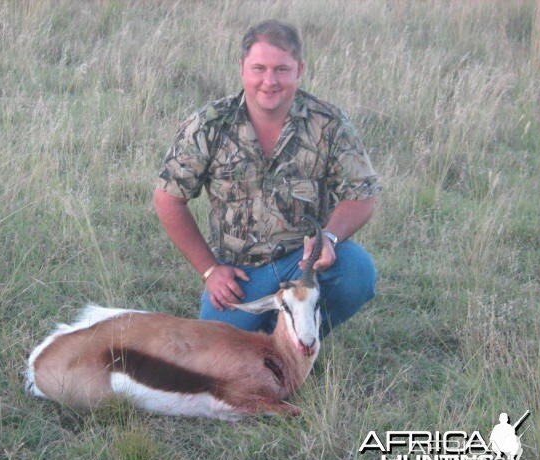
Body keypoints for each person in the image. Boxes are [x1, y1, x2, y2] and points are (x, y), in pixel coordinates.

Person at [153, 19, 380, 336]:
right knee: (218, 354)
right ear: (242, 68)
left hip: (304, 265)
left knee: (357, 271)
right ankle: (271, 332)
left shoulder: (328, 122)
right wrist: (210, 271)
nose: (269, 81)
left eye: (281, 69)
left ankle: (295, 338)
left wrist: (328, 239)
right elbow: (168, 200)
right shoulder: (208, 124)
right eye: (259, 68)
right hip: (241, 274)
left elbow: (362, 195)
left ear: (299, 70)